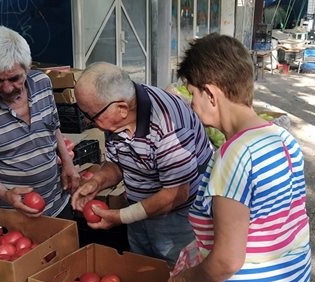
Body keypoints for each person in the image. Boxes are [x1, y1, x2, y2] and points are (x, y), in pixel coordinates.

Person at [169, 33, 312, 282]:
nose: (192, 102)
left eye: (192, 93)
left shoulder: (234, 157)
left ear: (212, 94)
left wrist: (189, 279)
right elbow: (271, 222)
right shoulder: (280, 137)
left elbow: (228, 260)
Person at [71, 62, 213, 265]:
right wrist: (97, 182)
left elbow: (176, 194)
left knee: (177, 274)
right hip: (139, 208)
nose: (86, 122)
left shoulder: (169, 125)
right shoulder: (113, 113)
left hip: (179, 217)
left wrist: (121, 217)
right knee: (143, 270)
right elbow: (118, 164)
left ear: (121, 108)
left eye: (89, 116)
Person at [0, 25, 79, 218]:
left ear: (28, 67)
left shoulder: (42, 83)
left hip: (58, 202)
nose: (7, 88)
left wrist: (67, 162)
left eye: (14, 78)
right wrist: (5, 195)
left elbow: (53, 127)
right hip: (13, 213)